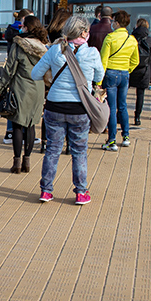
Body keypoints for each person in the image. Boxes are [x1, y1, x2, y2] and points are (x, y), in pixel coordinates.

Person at [31, 16, 104, 205]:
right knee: (79, 151)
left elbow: (35, 74)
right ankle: (81, 192)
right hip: (79, 108)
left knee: (52, 150)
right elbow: (100, 75)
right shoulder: (93, 53)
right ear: (82, 33)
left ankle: (46, 191)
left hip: (55, 105)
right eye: (87, 31)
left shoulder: (55, 50)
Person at [6, 16, 47, 174]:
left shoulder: (18, 45)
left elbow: (9, 69)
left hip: (20, 88)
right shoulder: (43, 46)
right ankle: (27, 161)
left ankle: (16, 162)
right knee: (30, 125)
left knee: (17, 125)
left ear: (28, 28)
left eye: (23, 26)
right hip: (38, 89)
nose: (20, 28)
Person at [100, 11, 140, 152]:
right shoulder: (132, 39)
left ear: (116, 23)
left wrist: (99, 79)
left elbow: (103, 59)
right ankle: (126, 136)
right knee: (122, 106)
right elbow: (136, 60)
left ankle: (111, 140)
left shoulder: (110, 38)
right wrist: (127, 70)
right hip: (124, 73)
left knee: (111, 107)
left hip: (111, 72)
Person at [129, 18, 151, 127]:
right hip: (144, 69)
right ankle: (137, 117)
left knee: (123, 93)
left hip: (131, 68)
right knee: (141, 94)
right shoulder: (150, 40)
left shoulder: (131, 38)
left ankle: (120, 114)